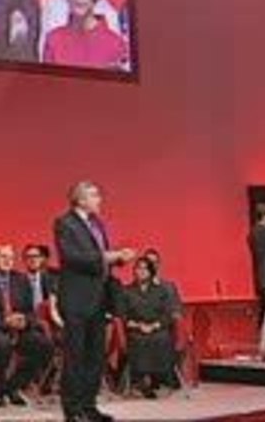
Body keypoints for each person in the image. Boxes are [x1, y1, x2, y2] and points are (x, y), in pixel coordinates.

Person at [54, 180, 135, 422]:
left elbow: (101, 259)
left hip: (99, 298)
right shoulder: (65, 223)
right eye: (95, 195)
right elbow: (73, 257)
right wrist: (110, 257)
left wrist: (119, 259)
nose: (99, 199)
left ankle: (89, 405)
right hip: (77, 298)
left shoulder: (96, 224)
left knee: (95, 355)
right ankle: (72, 409)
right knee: (75, 355)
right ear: (80, 199)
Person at [0, 245, 53, 407]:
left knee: (45, 345)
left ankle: (12, 386)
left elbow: (30, 311)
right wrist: (5, 321)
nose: (8, 261)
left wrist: (24, 320)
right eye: (3, 257)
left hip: (19, 328)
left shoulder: (20, 279)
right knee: (2, 344)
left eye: (11, 258)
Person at [120, 256, 177, 398]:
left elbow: (168, 314)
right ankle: (140, 382)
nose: (141, 271)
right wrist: (139, 326)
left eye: (144, 268)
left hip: (157, 327)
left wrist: (154, 326)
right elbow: (123, 316)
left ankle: (158, 380)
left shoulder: (161, 290)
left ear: (151, 271)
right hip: (136, 328)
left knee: (161, 338)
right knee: (139, 340)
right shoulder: (127, 291)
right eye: (138, 268)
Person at [143, 248, 183, 318]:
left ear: (158, 264)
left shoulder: (170, 288)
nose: (151, 265)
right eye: (148, 262)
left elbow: (177, 311)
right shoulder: (135, 289)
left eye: (154, 262)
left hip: (165, 327)